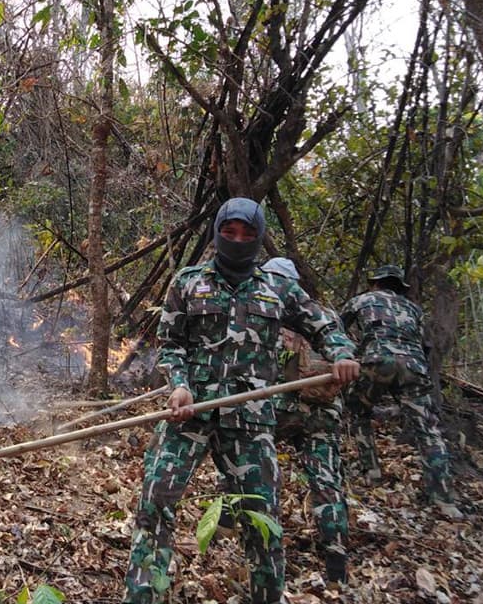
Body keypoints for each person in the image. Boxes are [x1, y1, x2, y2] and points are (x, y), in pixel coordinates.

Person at [124, 198, 360, 604]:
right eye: (229, 232)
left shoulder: (279, 288)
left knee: (262, 520)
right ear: (217, 233)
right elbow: (170, 344)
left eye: (247, 234)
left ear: (260, 237)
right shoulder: (188, 282)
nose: (237, 240)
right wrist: (179, 384)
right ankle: (142, 596)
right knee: (155, 504)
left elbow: (324, 325)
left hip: (251, 422)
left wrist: (341, 353)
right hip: (190, 415)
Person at [340, 265, 460, 517]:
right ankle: (444, 498)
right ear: (399, 287)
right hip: (414, 367)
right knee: (428, 429)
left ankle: (371, 472)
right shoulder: (414, 309)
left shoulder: (362, 299)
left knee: (358, 411)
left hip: (377, 361)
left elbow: (337, 331)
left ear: (375, 283)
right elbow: (425, 345)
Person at [260, 257, 349, 584]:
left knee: (257, 468)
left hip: (276, 407)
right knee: (326, 480)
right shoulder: (325, 315)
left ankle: (259, 544)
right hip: (323, 410)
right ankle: (336, 557)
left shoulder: (263, 307)